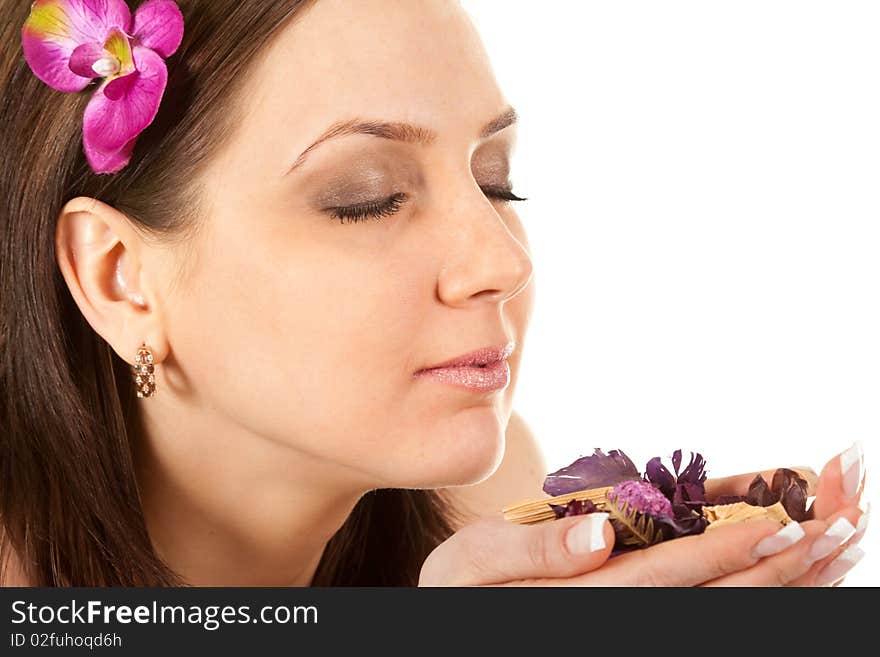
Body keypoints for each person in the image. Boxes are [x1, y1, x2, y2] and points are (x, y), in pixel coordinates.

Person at [0, 0, 867, 587]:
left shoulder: (494, 509)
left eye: (496, 180)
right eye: (367, 196)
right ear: (119, 277)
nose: (502, 260)